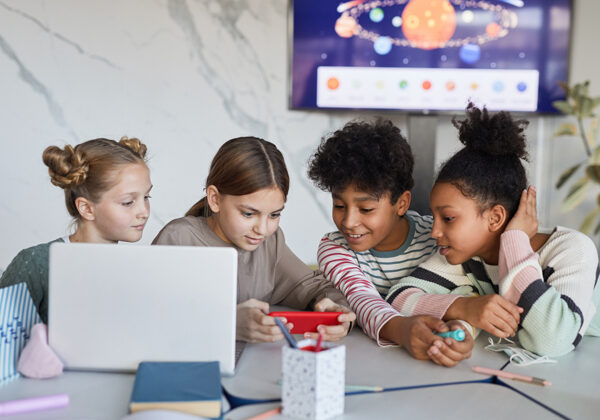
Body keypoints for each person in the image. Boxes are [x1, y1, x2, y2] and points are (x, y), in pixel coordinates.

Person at [386, 103, 600, 357]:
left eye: (448, 218)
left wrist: (515, 241)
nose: (434, 232)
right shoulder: (466, 256)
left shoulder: (572, 250)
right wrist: (465, 308)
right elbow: (398, 298)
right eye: (435, 217)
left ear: (495, 217)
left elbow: (552, 341)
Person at [152, 137, 356, 343]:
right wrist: (228, 324)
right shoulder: (178, 239)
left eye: (274, 215)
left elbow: (314, 288)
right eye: (248, 214)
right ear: (215, 199)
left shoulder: (270, 243)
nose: (262, 229)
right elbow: (151, 314)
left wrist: (337, 311)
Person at [307, 119, 474, 367]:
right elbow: (361, 298)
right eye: (339, 205)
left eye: (366, 208)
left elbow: (466, 294)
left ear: (402, 204)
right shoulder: (335, 249)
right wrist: (403, 330)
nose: (349, 221)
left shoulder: (437, 239)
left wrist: (462, 330)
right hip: (366, 365)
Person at [0, 137, 152, 323]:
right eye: (128, 202)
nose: (144, 212)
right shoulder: (37, 265)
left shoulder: (141, 270)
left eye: (147, 196)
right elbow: (5, 343)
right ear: (87, 208)